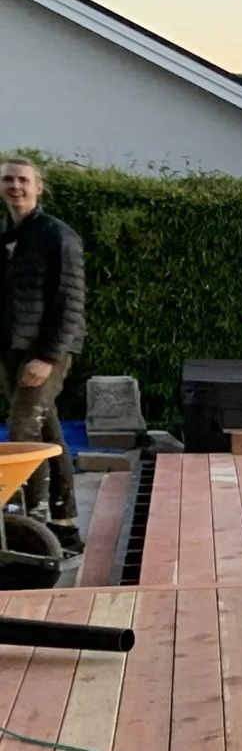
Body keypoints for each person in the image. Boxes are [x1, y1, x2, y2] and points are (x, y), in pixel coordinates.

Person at [0, 159, 84, 549]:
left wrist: (47, 358)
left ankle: (30, 528)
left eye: (23, 180)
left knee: (23, 435)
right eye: (8, 180)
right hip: (11, 353)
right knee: (49, 435)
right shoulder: (7, 237)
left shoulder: (58, 236)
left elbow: (70, 304)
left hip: (44, 355)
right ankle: (66, 524)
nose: (15, 186)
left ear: (39, 188)